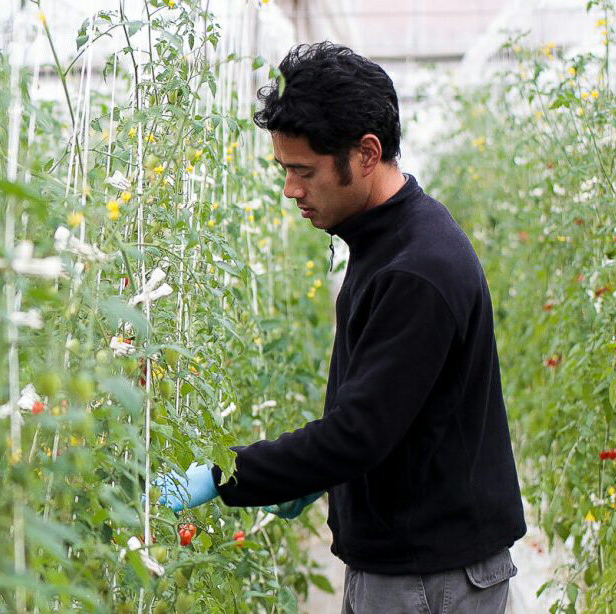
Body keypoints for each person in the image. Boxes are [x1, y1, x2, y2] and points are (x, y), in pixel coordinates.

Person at [154, 42, 527, 613]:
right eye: (285, 170)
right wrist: (318, 476)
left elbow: (358, 433)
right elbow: (387, 406)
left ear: (367, 153)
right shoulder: (388, 239)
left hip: (430, 580)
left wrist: (223, 475)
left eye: (304, 171)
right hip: (414, 565)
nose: (291, 190)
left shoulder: (416, 269)